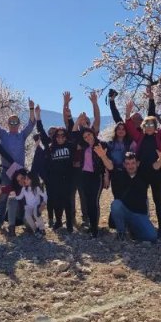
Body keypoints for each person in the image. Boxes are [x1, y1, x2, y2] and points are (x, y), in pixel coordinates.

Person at [124, 94, 161, 237]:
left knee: (158, 200)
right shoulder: (140, 136)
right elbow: (129, 127)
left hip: (156, 173)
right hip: (142, 173)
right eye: (147, 125)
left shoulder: (160, 136)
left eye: (152, 124)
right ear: (143, 127)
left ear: (155, 127)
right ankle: (143, 225)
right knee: (142, 200)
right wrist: (127, 113)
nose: (149, 127)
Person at [0, 97, 36, 236]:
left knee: (23, 197)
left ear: (19, 124)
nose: (13, 124)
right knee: (3, 197)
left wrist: (31, 109)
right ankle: (0, 221)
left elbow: (31, 124)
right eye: (11, 122)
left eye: (16, 122)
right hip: (6, 171)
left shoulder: (22, 135)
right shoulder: (3, 134)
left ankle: (25, 221)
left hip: (20, 173)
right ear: (7, 124)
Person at [106, 149, 161, 242]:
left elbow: (154, 167)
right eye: (127, 163)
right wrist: (102, 156)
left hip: (139, 214)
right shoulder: (119, 174)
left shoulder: (143, 174)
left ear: (137, 163)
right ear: (124, 165)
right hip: (124, 212)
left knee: (152, 237)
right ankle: (121, 233)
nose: (130, 166)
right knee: (116, 204)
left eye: (133, 163)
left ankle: (133, 230)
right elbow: (110, 166)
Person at [36, 104, 76, 232]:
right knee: (57, 202)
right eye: (57, 136)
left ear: (65, 136)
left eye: (62, 135)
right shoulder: (50, 147)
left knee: (68, 202)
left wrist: (68, 114)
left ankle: (69, 224)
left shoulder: (70, 146)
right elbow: (41, 132)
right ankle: (58, 221)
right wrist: (38, 116)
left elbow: (71, 128)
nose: (60, 137)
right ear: (54, 137)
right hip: (54, 179)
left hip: (68, 178)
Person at [64, 90, 101, 231]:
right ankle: (72, 219)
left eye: (86, 122)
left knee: (85, 195)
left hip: (88, 171)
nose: (84, 123)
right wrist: (66, 104)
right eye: (82, 122)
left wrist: (95, 104)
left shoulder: (92, 134)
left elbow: (97, 120)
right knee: (71, 195)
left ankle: (87, 219)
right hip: (74, 170)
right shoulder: (76, 135)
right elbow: (67, 119)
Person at [72, 113, 107, 238]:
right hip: (84, 177)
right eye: (85, 136)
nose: (87, 138)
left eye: (89, 135)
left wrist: (106, 176)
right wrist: (78, 121)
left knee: (94, 202)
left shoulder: (102, 145)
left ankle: (95, 228)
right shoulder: (84, 145)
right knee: (87, 202)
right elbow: (74, 133)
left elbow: (106, 162)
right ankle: (92, 227)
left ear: (93, 134)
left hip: (96, 177)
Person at [13, 170, 48, 238]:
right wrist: (14, 196)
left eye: (27, 179)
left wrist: (44, 203)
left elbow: (45, 195)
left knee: (36, 214)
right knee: (27, 216)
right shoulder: (24, 189)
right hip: (28, 206)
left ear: (33, 180)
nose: (25, 180)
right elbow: (20, 197)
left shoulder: (37, 188)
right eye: (25, 179)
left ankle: (42, 229)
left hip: (36, 206)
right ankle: (35, 229)